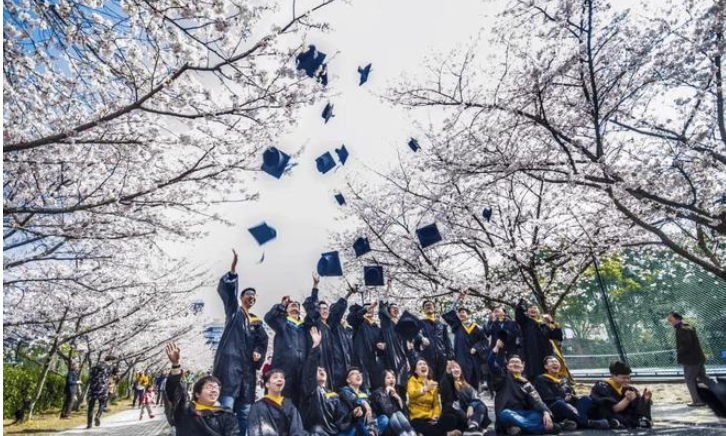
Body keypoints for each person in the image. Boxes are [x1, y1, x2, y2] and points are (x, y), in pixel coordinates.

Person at [214, 249, 269, 434]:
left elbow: (263, 341)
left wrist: (259, 353)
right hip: (230, 369)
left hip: (247, 376)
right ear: (241, 297)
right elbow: (229, 293)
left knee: (245, 414)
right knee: (226, 410)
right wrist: (233, 270)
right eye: (248, 294)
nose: (251, 297)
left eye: (254, 295)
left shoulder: (256, 322)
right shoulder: (234, 312)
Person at [164, 342, 239, 436]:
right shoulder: (185, 410)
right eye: (209, 387)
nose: (214, 390)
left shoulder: (226, 415)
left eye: (216, 388)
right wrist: (175, 364)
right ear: (197, 394)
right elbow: (173, 390)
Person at [487, 341, 558, 435]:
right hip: (508, 414)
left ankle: (519, 430)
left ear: (522, 367)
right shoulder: (503, 377)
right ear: (507, 366)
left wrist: (546, 413)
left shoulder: (527, 384)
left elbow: (537, 400)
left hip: (524, 415)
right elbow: (491, 363)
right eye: (512, 362)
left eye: (517, 362)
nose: (515, 364)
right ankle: (541, 430)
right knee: (505, 414)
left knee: (538, 415)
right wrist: (496, 347)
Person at [303, 273, 355, 391]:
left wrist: (348, 294)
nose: (324, 310)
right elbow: (312, 309)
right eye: (321, 309)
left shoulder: (330, 326)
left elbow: (337, 310)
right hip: (318, 360)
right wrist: (316, 285)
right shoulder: (314, 323)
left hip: (331, 363)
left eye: (326, 308)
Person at [532, 356, 610, 430]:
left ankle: (571, 422)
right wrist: (564, 401)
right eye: (551, 362)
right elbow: (547, 398)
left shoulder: (564, 379)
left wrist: (573, 398)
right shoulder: (541, 379)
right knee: (560, 403)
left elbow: (572, 393)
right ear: (546, 367)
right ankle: (588, 423)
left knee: (586, 399)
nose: (555, 363)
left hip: (571, 407)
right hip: (554, 407)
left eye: (556, 362)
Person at [300, 326, 347, 436]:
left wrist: (355, 414)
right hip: (317, 432)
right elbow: (310, 369)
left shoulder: (333, 395)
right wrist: (316, 345)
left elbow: (341, 418)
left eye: (323, 370)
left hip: (335, 432)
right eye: (319, 370)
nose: (322, 372)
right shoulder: (310, 390)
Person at [265, 291, 307, 407]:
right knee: (282, 402)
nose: (294, 305)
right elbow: (269, 318)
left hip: (302, 371)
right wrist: (281, 305)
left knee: (300, 403)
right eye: (291, 305)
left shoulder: (305, 327)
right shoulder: (282, 323)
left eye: (296, 305)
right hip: (284, 369)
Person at [442, 291, 488, 390]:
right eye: (460, 313)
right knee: (460, 379)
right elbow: (450, 313)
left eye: (463, 312)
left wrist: (476, 347)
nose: (461, 314)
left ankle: (474, 400)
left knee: (473, 380)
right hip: (460, 357)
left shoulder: (477, 328)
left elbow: (484, 342)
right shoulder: (457, 326)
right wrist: (458, 300)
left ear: (468, 314)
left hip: (473, 359)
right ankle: (462, 400)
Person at [378, 279, 415, 397]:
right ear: (388, 311)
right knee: (393, 382)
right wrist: (388, 288)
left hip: (402, 358)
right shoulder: (386, 323)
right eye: (392, 307)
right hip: (391, 354)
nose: (395, 309)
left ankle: (404, 406)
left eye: (397, 307)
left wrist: (407, 359)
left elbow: (405, 344)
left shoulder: (401, 325)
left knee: (404, 383)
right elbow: (382, 305)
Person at [589, 361, 652, 429]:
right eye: (623, 378)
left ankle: (628, 423)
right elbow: (614, 409)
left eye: (628, 378)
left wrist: (645, 399)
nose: (627, 380)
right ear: (612, 375)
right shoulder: (602, 387)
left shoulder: (630, 389)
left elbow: (639, 411)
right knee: (606, 412)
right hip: (607, 415)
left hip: (623, 416)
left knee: (638, 411)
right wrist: (627, 399)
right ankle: (625, 423)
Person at [247, 369, 308, 436]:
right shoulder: (257, 407)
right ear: (267, 384)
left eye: (282, 377)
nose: (280, 379)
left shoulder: (290, 406)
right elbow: (255, 430)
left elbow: (297, 430)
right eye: (275, 377)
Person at [667, 311, 709, 406]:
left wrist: (678, 351)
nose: (669, 321)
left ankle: (697, 401)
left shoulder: (682, 329)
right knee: (703, 377)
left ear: (677, 318)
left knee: (690, 380)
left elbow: (687, 345)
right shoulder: (689, 326)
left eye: (670, 319)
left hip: (691, 360)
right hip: (698, 358)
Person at [515, 299, 564, 380]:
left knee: (547, 375)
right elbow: (519, 315)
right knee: (534, 376)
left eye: (535, 308)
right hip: (531, 356)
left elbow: (558, 336)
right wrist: (521, 300)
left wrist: (552, 322)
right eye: (530, 308)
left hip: (545, 355)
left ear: (539, 312)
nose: (532, 309)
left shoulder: (544, 325)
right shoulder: (526, 323)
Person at [439, 361, 491, 436]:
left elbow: (476, 398)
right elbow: (448, 398)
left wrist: (471, 406)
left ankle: (473, 426)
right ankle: (475, 427)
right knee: (454, 405)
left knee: (481, 405)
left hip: (469, 413)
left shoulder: (467, 386)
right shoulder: (447, 382)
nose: (455, 369)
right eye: (452, 368)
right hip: (455, 412)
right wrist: (447, 373)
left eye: (457, 367)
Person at [347, 301, 386, 390]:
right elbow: (351, 319)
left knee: (376, 388)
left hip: (373, 363)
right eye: (367, 308)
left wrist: (383, 347)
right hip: (360, 361)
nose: (370, 310)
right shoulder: (359, 324)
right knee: (362, 388)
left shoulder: (377, 328)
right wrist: (364, 310)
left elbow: (380, 350)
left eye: (371, 308)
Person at [370, 370, 416, 436]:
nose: (391, 380)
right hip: (387, 425)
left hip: (401, 424)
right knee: (395, 414)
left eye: (393, 378)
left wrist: (398, 398)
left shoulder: (398, 391)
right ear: (383, 380)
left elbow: (406, 413)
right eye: (388, 378)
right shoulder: (378, 393)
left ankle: (411, 433)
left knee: (399, 413)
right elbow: (387, 411)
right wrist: (386, 392)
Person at [417, 300, 454, 381]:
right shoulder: (420, 323)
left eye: (430, 305)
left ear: (434, 308)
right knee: (430, 378)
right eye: (426, 306)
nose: (428, 306)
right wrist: (422, 338)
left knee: (443, 380)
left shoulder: (441, 324)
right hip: (427, 356)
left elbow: (447, 341)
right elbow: (416, 335)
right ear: (424, 310)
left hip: (442, 356)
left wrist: (450, 357)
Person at [408, 359, 446, 436]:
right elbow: (411, 394)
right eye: (420, 364)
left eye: (425, 364)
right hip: (417, 418)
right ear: (415, 371)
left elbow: (436, 404)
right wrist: (424, 389)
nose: (423, 366)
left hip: (430, 417)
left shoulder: (432, 383)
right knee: (433, 430)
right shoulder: (412, 381)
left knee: (449, 419)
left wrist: (435, 415)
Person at [339, 367, 377, 436]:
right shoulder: (344, 391)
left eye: (359, 373)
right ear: (348, 380)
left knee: (383, 418)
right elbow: (353, 399)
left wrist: (372, 429)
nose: (358, 375)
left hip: (364, 426)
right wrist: (364, 404)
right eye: (353, 374)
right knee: (358, 419)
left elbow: (372, 414)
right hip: (349, 426)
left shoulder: (364, 394)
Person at [86, 355, 117, 429]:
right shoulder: (110, 367)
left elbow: (90, 376)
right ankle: (98, 415)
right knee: (102, 404)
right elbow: (115, 375)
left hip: (93, 388)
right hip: (103, 389)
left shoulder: (95, 367)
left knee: (91, 406)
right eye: (113, 362)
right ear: (111, 361)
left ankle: (89, 424)